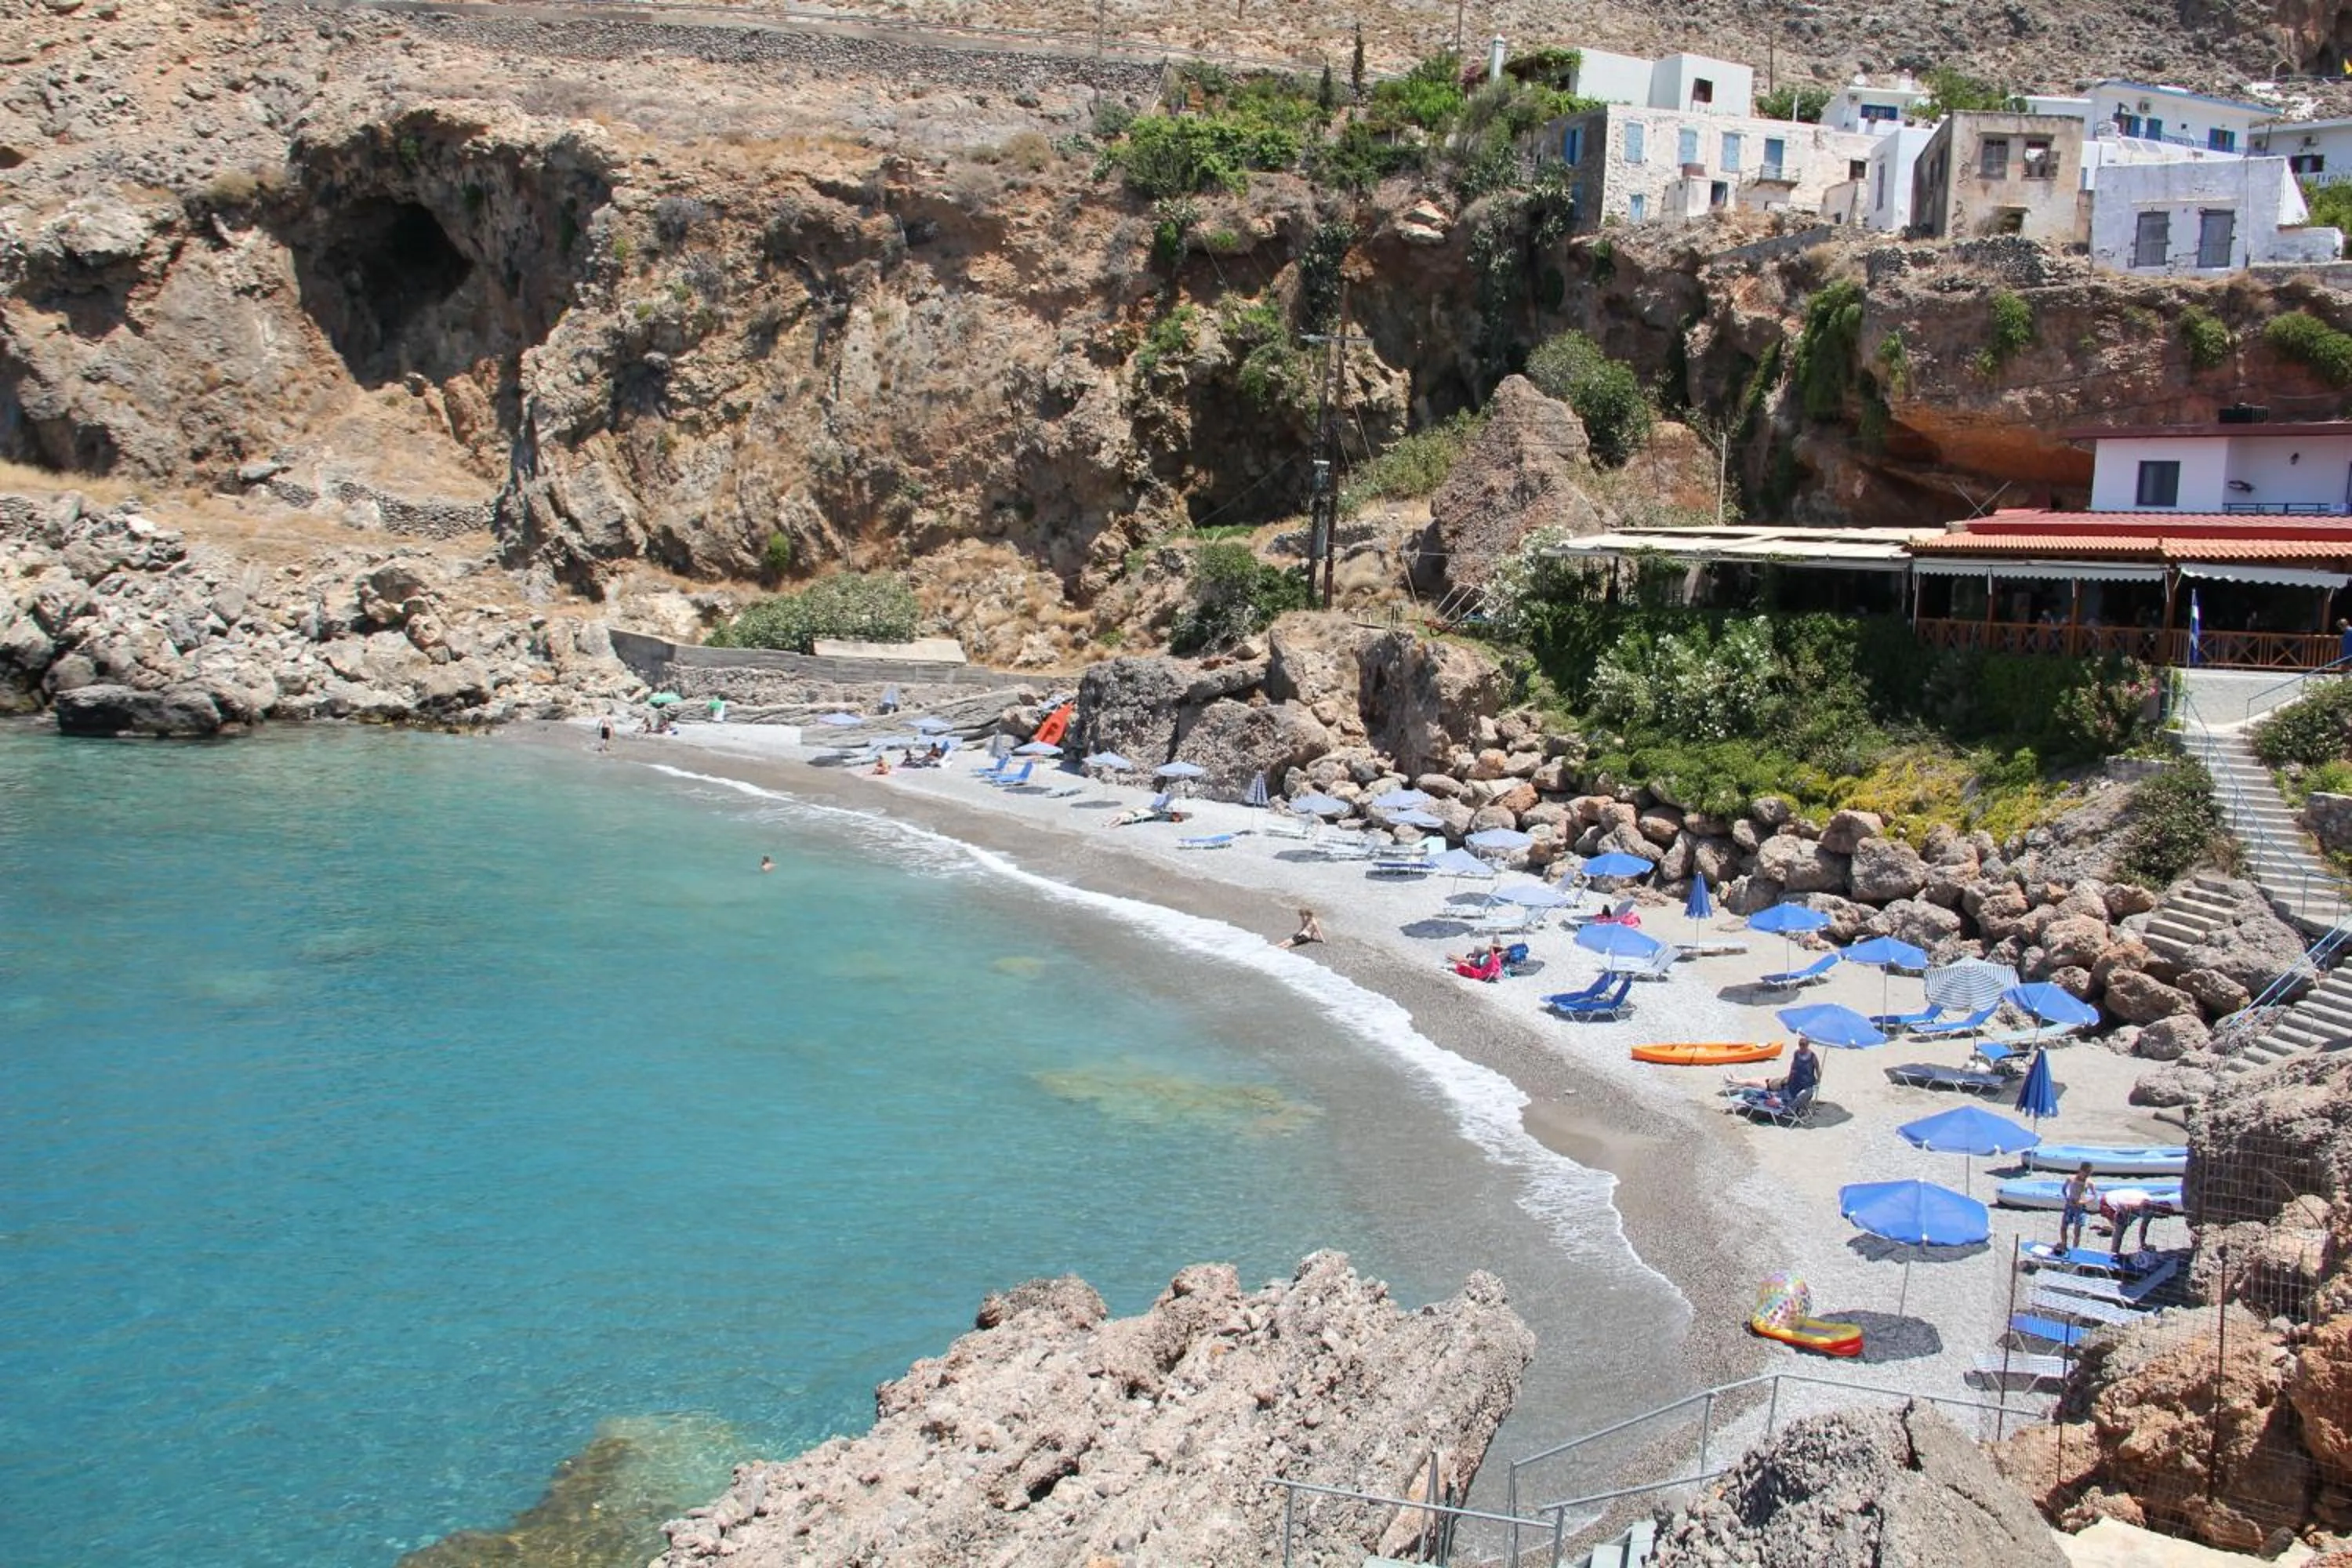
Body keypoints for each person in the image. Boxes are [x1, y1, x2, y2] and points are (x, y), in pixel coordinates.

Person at [2060, 1161, 2097, 1253]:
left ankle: (2074, 1250)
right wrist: (2067, 1198)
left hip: (2080, 1207)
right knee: (2064, 1227)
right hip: (2069, 1205)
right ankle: (2064, 1245)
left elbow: (2094, 1196)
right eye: (2086, 1173)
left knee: (2077, 1230)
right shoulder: (2071, 1179)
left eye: (2089, 1173)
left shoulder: (2089, 1183)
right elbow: (2064, 1189)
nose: (2087, 1176)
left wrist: (2083, 1201)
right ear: (2080, 1170)